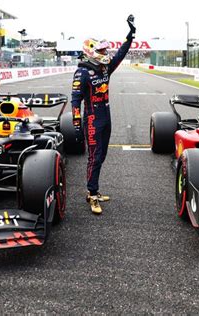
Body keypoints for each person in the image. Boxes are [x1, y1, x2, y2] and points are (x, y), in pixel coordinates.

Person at [71, 14, 136, 215]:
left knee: (102, 155)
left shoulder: (105, 68)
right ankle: (92, 193)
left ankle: (95, 189)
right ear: (90, 52)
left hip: (106, 114)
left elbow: (120, 55)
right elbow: (75, 101)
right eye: (101, 50)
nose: (105, 52)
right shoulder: (81, 73)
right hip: (92, 118)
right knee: (94, 157)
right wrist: (75, 125)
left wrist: (130, 36)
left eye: (105, 49)